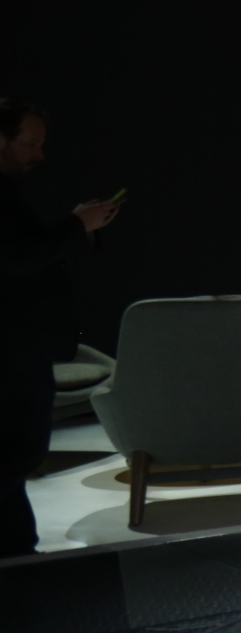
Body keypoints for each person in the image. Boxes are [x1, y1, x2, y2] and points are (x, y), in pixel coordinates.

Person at [1, 98, 121, 558]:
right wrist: (76, 226)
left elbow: (23, 251)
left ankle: (17, 557)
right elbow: (17, 257)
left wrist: (80, 229)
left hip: (17, 348)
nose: (39, 154)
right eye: (29, 142)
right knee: (15, 453)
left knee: (15, 458)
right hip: (11, 350)